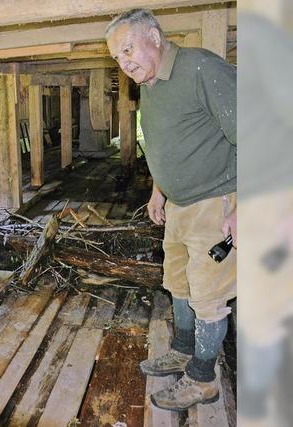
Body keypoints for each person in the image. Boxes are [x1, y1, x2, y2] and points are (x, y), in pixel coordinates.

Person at [105, 9, 237, 411]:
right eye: (116, 57)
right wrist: (158, 192)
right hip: (178, 206)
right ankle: (182, 350)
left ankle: (203, 379)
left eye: (128, 48)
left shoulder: (201, 68)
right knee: (178, 282)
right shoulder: (149, 84)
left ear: (155, 37)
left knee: (209, 295)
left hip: (215, 201)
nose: (123, 61)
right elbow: (167, 141)